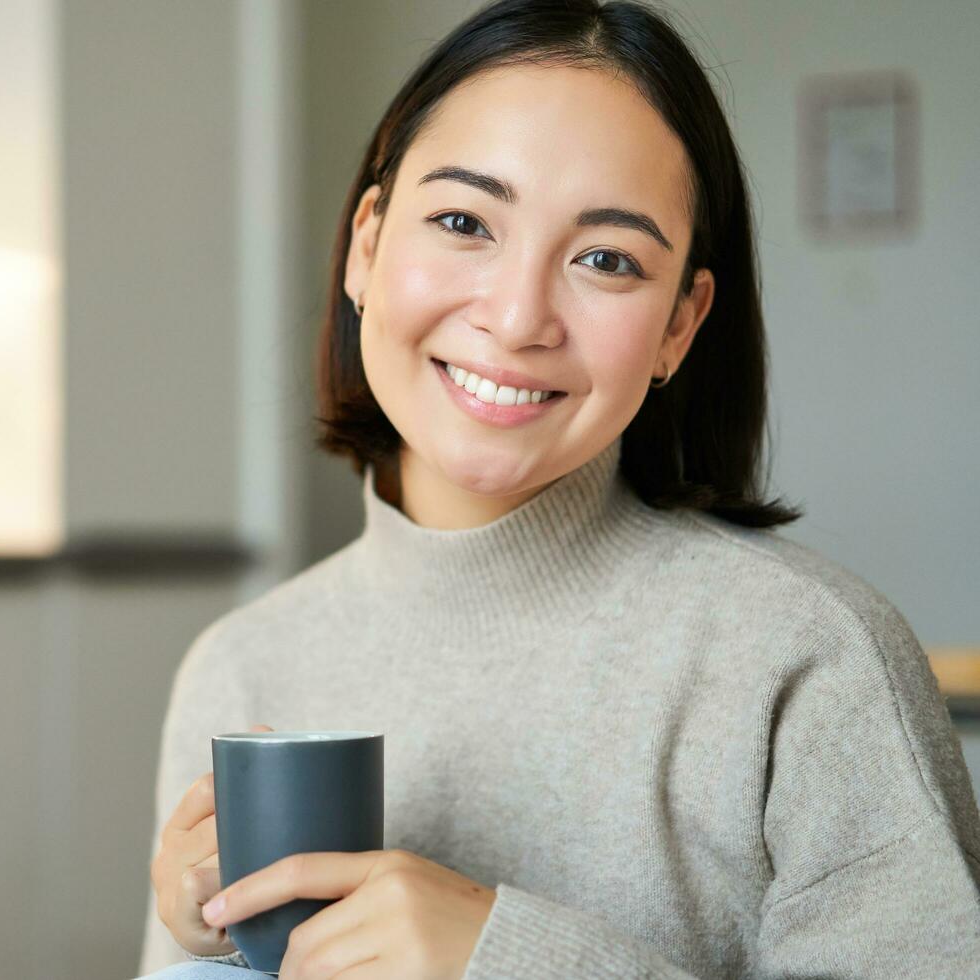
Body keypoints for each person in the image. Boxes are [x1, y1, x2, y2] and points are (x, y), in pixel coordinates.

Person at [137, 0, 980, 977]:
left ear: (679, 325)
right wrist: (198, 948)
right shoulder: (241, 665)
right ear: (367, 245)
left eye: (606, 259)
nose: (518, 315)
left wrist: (505, 955)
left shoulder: (806, 659)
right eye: (463, 221)